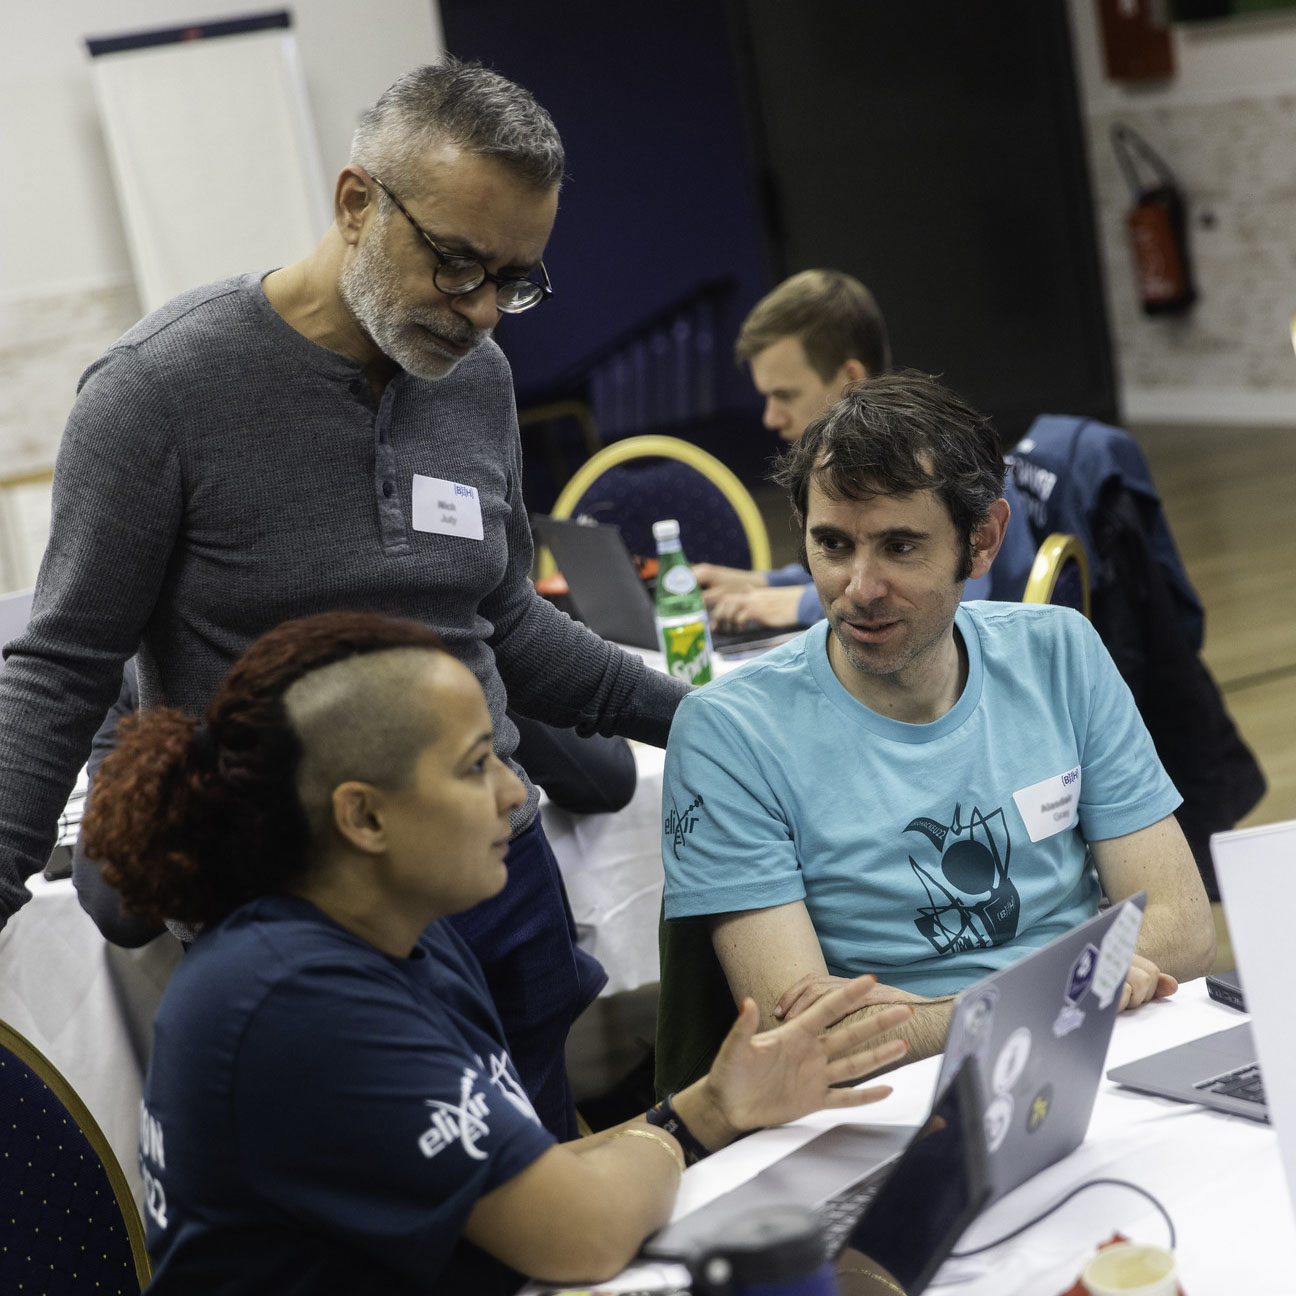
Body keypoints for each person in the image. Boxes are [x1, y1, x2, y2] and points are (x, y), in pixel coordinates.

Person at [0, 59, 686, 1139]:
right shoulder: (159, 394)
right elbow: (62, 667)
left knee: (557, 1217)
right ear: (356, 202)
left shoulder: (479, 381)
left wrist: (698, 717)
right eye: (457, 264)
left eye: (515, 279)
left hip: (492, 874)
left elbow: (504, 622)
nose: (481, 315)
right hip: (300, 922)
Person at [82, 610, 913, 1294]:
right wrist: (693, 1126)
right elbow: (579, 1235)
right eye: (478, 766)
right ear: (363, 817)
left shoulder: (404, 939)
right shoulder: (296, 1000)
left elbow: (525, 1178)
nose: (518, 791)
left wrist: (713, 1105)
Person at [660, 372, 1216, 1072]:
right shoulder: (728, 733)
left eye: (899, 547)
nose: (858, 590)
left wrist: (946, 1011)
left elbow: (1185, 930)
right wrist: (1068, 985)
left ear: (982, 542)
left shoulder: (1060, 652)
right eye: (832, 546)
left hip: (1099, 1052)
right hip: (894, 1099)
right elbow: (802, 1043)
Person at [695, 270, 1034, 630]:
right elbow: (865, 564)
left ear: (850, 379)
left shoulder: (951, 467)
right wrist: (763, 585)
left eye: (785, 395)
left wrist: (797, 605)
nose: (770, 417)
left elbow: (952, 609)